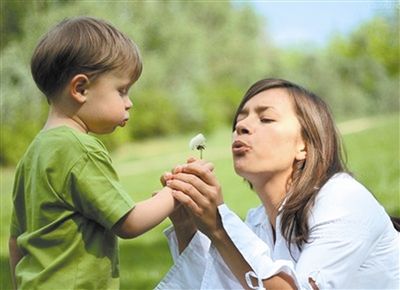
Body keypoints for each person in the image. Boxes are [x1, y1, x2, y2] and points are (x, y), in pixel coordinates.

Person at [157, 78, 400, 289]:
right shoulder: (258, 221)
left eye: (266, 118)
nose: (241, 127)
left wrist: (220, 228)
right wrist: (187, 225)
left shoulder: (344, 201)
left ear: (303, 145)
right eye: (238, 122)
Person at [8, 16, 178, 290]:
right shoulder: (80, 148)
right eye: (122, 91)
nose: (129, 103)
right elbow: (128, 222)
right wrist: (175, 193)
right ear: (80, 88)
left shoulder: (33, 154)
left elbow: (16, 239)